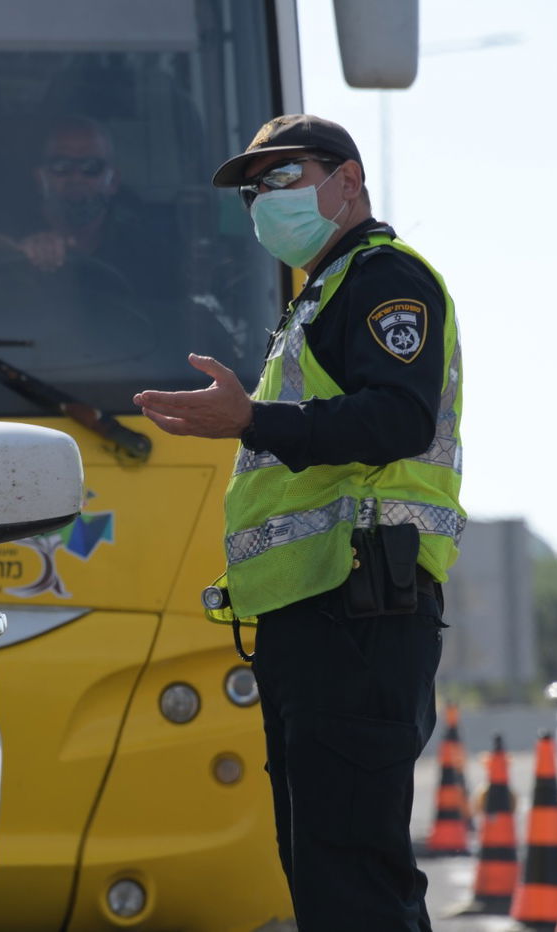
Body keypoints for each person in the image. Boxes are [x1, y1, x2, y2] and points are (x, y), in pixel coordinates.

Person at [132, 114, 466, 931]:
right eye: (256, 188)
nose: (264, 199)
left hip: (359, 610)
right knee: (324, 875)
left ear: (348, 181)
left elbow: (397, 420)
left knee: (354, 881)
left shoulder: (384, 280)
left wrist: (253, 421)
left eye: (285, 177)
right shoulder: (318, 294)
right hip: (317, 620)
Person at [0, 114, 175, 298]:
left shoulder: (144, 247)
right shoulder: (9, 223)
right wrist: (18, 254)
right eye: (61, 166)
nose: (76, 177)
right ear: (40, 178)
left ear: (113, 181)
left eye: (91, 167)